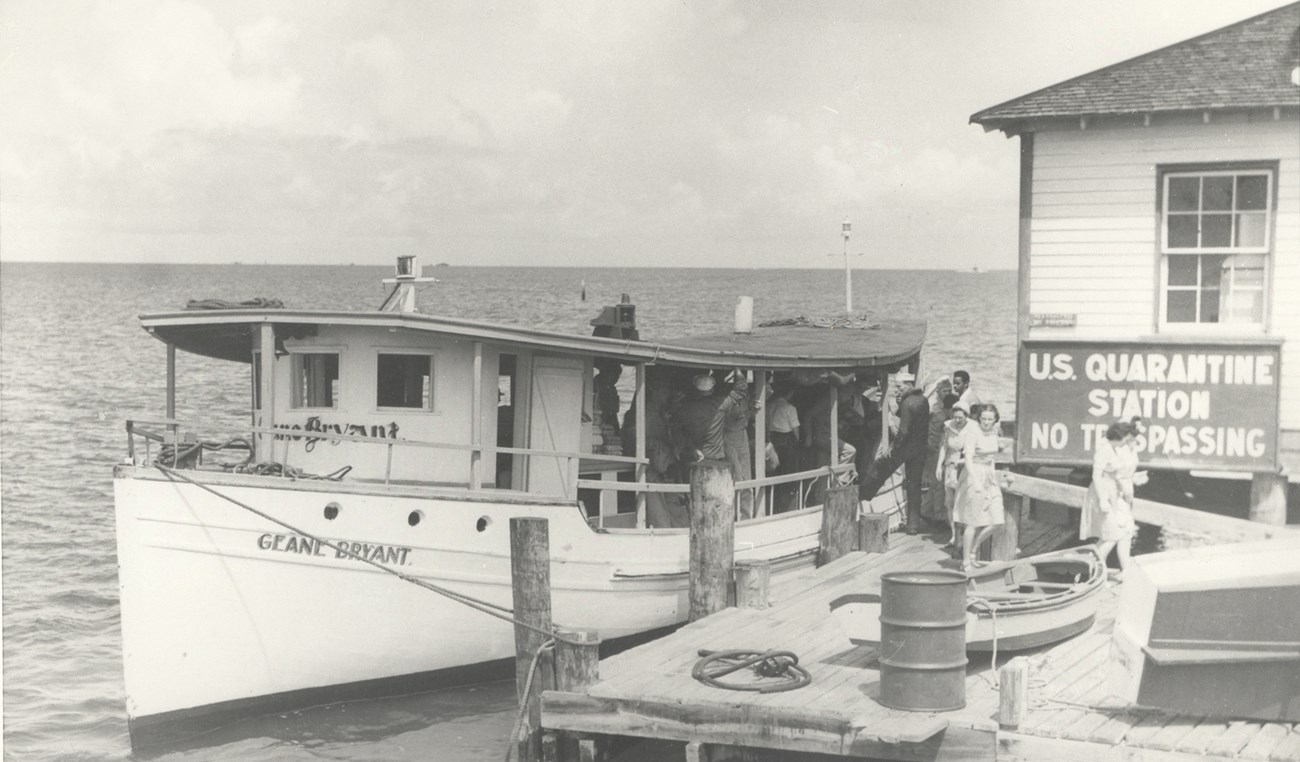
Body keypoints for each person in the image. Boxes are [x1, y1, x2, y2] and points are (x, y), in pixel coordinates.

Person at [857, 369, 930, 533]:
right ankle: (913, 525)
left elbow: (903, 431)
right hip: (920, 447)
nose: (897, 390)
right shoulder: (923, 400)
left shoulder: (907, 403)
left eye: (899, 387)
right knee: (914, 485)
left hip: (906, 448)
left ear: (909, 386)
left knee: (880, 468)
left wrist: (893, 448)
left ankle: (863, 496)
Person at [1081, 421, 1144, 579]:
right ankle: (1092, 572)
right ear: (1119, 436)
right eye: (1125, 438)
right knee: (1112, 535)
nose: (1126, 441)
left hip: (1112, 492)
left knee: (1110, 534)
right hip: (1101, 492)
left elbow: (1116, 473)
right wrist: (1103, 500)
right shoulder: (1104, 450)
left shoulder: (1114, 449)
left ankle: (1091, 570)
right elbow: (1096, 476)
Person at [954, 403, 1005, 570]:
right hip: (973, 474)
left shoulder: (994, 432)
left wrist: (993, 476)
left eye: (990, 419)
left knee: (997, 519)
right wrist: (975, 480)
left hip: (989, 475)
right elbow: (967, 458)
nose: (986, 422)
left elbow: (991, 458)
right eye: (983, 419)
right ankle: (966, 561)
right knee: (972, 521)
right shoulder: (972, 432)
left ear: (995, 420)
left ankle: (974, 551)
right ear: (979, 419)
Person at [673, 369, 748, 464]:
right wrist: (737, 370)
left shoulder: (685, 409)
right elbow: (740, 392)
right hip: (716, 458)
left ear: (695, 389)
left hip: (693, 457)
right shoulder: (720, 404)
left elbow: (677, 432)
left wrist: (692, 449)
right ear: (712, 389)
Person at [920, 375, 954, 524]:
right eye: (945, 390)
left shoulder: (945, 407)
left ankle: (927, 511)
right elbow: (933, 437)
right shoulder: (936, 410)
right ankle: (937, 514)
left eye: (949, 390)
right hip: (934, 450)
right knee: (938, 483)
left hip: (941, 449)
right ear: (938, 391)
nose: (947, 393)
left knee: (937, 483)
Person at [936, 396, 969, 547]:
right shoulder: (948, 427)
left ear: (966, 416)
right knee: (949, 502)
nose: (957, 420)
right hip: (949, 466)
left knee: (961, 502)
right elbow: (944, 446)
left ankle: (964, 535)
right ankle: (953, 535)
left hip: (963, 467)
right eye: (955, 417)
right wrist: (939, 465)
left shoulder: (971, 428)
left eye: (960, 418)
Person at [766, 382, 801, 512]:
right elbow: (795, 429)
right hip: (786, 439)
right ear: (789, 393)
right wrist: (796, 443)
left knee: (775, 470)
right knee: (789, 471)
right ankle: (787, 505)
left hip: (772, 438)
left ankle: (774, 504)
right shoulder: (789, 408)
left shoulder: (769, 405)